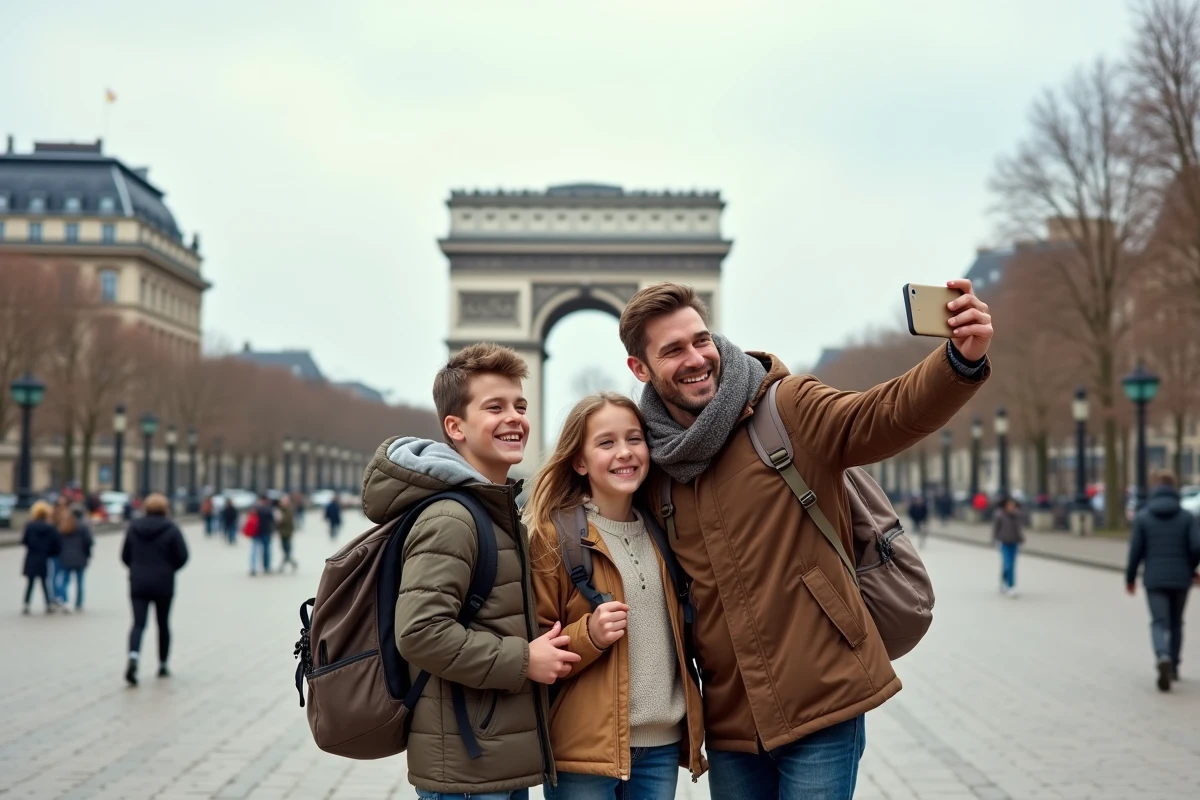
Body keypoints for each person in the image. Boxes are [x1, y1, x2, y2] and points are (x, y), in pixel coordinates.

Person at [617, 281, 993, 799]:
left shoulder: (786, 408)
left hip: (824, 698)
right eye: (673, 350)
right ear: (640, 369)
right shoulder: (655, 467)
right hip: (732, 722)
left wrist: (958, 361)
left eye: (701, 340)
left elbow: (882, 414)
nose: (696, 358)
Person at [362, 342, 579, 800]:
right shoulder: (452, 518)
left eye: (520, 405)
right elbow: (420, 632)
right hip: (467, 769)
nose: (515, 417)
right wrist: (525, 660)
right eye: (495, 407)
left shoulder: (490, 509)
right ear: (454, 427)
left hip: (488, 758)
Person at [527, 393, 706, 798]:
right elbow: (532, 646)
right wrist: (589, 634)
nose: (624, 453)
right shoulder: (553, 538)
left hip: (661, 746)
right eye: (606, 443)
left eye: (634, 439)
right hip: (584, 750)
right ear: (579, 460)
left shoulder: (666, 532)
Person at [1125, 470, 1200, 692]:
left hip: (1154, 578)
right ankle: (1174, 666)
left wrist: (1130, 578)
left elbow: (1135, 551)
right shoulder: (1187, 517)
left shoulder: (1143, 516)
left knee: (1159, 622)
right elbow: (1197, 546)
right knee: (1177, 622)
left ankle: (1162, 655)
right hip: (1181, 579)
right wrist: (1192, 568)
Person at [121, 493, 188, 686]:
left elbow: (125, 555)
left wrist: (136, 568)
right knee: (163, 624)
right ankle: (163, 664)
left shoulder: (134, 527)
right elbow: (183, 555)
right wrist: (169, 569)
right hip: (164, 582)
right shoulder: (172, 528)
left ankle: (134, 657)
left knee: (138, 624)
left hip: (138, 582)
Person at [21, 501, 61, 615]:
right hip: (44, 557)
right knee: (44, 583)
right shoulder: (50, 527)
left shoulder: (30, 526)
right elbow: (56, 543)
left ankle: (26, 604)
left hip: (32, 556)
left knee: (30, 583)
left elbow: (24, 541)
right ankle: (48, 604)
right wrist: (50, 553)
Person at [55, 507, 94, 612]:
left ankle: (65, 601)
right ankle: (79, 603)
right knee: (80, 582)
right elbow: (89, 542)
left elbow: (57, 543)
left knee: (65, 581)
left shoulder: (64, 526)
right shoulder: (83, 527)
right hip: (80, 557)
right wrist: (88, 554)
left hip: (65, 557)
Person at [992, 496, 1025, 598]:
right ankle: (1010, 585)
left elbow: (1019, 529)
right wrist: (995, 540)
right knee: (1007, 564)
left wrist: (1021, 538)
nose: (1011, 507)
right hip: (1004, 542)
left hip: (1014, 542)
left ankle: (1008, 583)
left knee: (1012, 565)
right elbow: (995, 529)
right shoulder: (999, 515)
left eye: (1013, 505)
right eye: (1009, 505)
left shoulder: (1017, 515)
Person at [249, 494, 276, 576]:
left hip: (256, 532)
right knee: (266, 550)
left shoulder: (255, 508)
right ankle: (266, 567)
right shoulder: (268, 508)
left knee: (254, 550)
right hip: (266, 532)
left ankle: (253, 567)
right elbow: (273, 520)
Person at [277, 495, 297, 573]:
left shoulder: (288, 510)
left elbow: (286, 521)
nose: (281, 503)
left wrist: (279, 519)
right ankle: (292, 563)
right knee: (285, 550)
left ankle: (285, 565)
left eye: (283, 502)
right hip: (282, 533)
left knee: (286, 550)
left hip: (287, 533)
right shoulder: (281, 510)